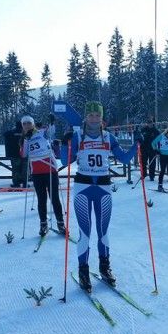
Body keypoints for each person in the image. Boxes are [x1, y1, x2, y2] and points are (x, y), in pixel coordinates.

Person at [60, 101, 138, 292]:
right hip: (83, 188)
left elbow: (124, 158)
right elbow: (64, 160)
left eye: (97, 115)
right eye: (91, 115)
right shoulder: (78, 136)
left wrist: (137, 144)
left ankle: (104, 267)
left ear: (102, 118)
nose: (94, 118)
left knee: (103, 232)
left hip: (103, 188)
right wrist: (64, 143)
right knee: (85, 232)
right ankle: (83, 271)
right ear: (86, 117)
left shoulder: (108, 137)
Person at [20, 116, 65, 237]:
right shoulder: (24, 138)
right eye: (24, 124)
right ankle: (43, 224)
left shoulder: (41, 132)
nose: (27, 125)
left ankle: (60, 223)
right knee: (41, 199)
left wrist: (52, 122)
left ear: (33, 124)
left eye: (29, 123)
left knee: (54, 198)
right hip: (36, 172)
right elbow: (23, 154)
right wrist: (26, 140)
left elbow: (51, 132)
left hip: (50, 169)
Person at [4, 121, 26, 188]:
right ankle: (25, 183)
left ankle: (16, 183)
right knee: (24, 169)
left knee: (16, 169)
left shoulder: (11, 132)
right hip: (24, 153)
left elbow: (5, 134)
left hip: (14, 154)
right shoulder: (25, 132)